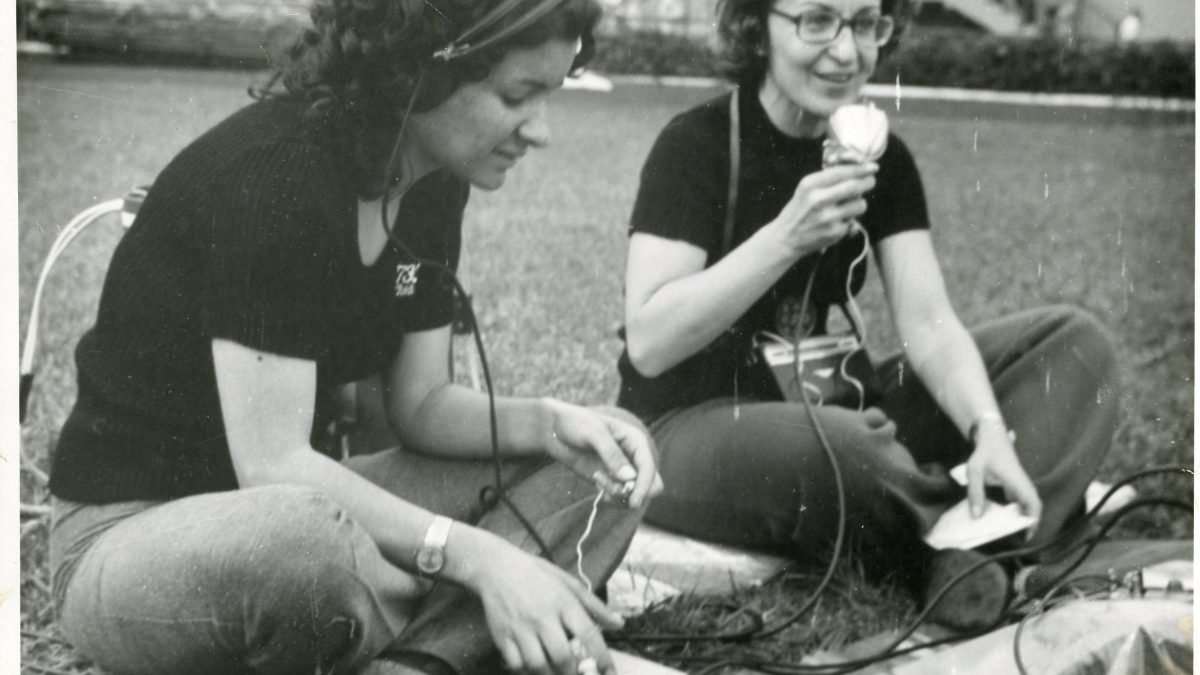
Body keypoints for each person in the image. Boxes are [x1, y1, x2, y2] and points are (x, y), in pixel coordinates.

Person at [45, 0, 663, 673]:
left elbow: (422, 404)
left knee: (606, 452)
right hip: (137, 537)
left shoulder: (433, 181)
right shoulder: (274, 178)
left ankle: (422, 658)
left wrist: (550, 424)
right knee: (305, 544)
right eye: (519, 96)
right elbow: (273, 464)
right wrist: (482, 556)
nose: (539, 131)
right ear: (420, 73)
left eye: (550, 95)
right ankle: (478, 617)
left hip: (315, 501)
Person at [616, 0, 1119, 630]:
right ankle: (1002, 533)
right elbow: (651, 343)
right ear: (756, 25)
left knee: (1074, 344)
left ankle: (969, 537)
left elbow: (930, 324)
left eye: (864, 23)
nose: (846, 51)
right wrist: (786, 238)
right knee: (848, 450)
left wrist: (987, 426)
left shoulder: (881, 157)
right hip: (687, 424)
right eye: (817, 21)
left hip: (826, 405)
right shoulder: (695, 144)